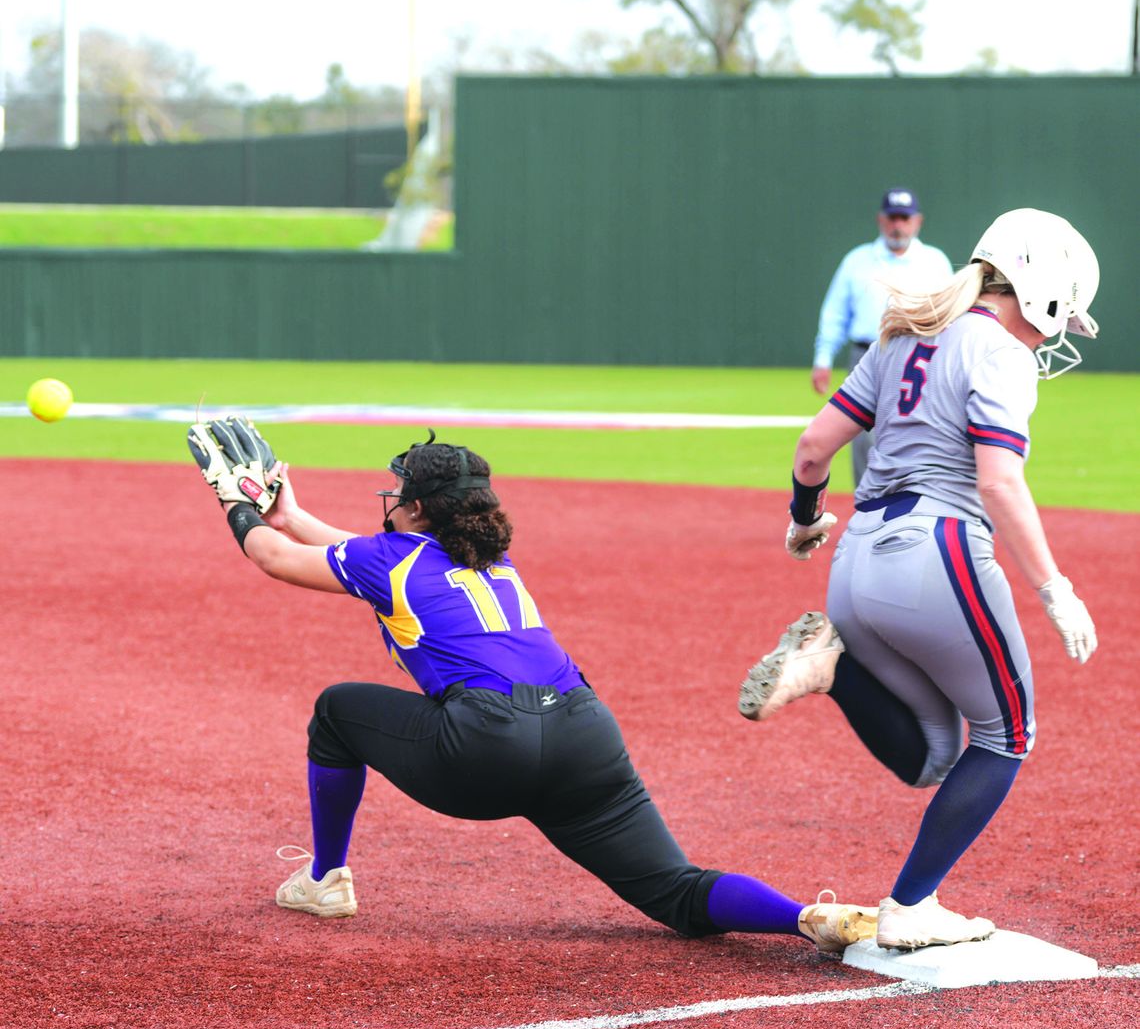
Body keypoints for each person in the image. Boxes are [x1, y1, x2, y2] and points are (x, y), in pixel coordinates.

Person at [188, 421, 876, 954]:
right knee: (677, 893)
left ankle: (325, 880)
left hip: (485, 748)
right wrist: (286, 511)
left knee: (337, 711)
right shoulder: (487, 556)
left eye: (399, 492)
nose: (389, 499)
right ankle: (805, 916)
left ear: (420, 508)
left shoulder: (391, 559)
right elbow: (343, 547)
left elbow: (275, 559)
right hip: (585, 735)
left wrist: (237, 508)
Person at [739, 208, 1100, 950]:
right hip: (937, 551)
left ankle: (832, 668)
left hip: (854, 564)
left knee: (938, 754)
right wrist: (1054, 587)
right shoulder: (1000, 351)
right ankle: (912, 905)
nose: (1053, 334)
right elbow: (999, 484)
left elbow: (814, 447)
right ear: (1040, 293)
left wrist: (805, 516)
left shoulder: (902, 335)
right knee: (1009, 734)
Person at [811, 187, 954, 487]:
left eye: (904, 218)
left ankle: (912, 496)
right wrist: (823, 358)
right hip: (867, 353)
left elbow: (950, 314)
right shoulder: (857, 260)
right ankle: (867, 503)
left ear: (917, 221)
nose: (897, 225)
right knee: (862, 432)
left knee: (920, 428)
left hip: (920, 354)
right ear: (880, 219)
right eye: (892, 218)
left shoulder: (934, 262)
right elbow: (835, 312)